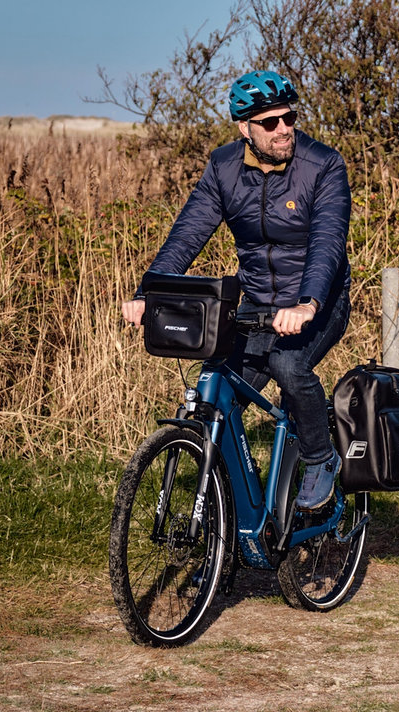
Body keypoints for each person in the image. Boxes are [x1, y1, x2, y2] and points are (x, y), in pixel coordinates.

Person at [122, 70, 352, 510]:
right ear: (244, 128)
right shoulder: (223, 167)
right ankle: (230, 509)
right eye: (270, 123)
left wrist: (307, 304)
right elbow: (187, 235)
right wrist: (147, 293)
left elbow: (326, 243)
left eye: (289, 118)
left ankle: (321, 458)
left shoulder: (323, 165)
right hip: (257, 304)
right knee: (219, 388)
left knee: (287, 365)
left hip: (318, 301)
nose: (284, 129)